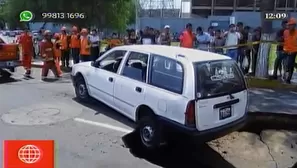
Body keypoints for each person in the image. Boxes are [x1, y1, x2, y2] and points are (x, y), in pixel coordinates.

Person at [283, 18, 297, 84]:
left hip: (293, 51)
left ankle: (288, 79)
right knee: (286, 65)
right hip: (286, 50)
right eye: (289, 25)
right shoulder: (285, 32)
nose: (290, 26)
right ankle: (285, 77)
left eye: (291, 25)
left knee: (290, 64)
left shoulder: (296, 33)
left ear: (294, 25)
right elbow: (285, 41)